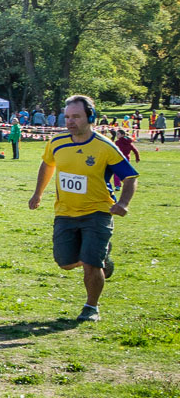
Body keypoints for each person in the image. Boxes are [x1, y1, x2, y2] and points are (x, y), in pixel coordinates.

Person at [29, 97, 137, 321]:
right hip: (65, 212)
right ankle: (101, 259)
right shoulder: (57, 142)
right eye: (67, 117)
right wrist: (37, 193)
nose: (70, 122)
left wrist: (123, 203)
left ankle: (91, 307)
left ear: (90, 117)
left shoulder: (105, 147)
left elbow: (129, 176)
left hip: (98, 212)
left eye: (76, 117)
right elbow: (48, 164)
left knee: (90, 263)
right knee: (65, 262)